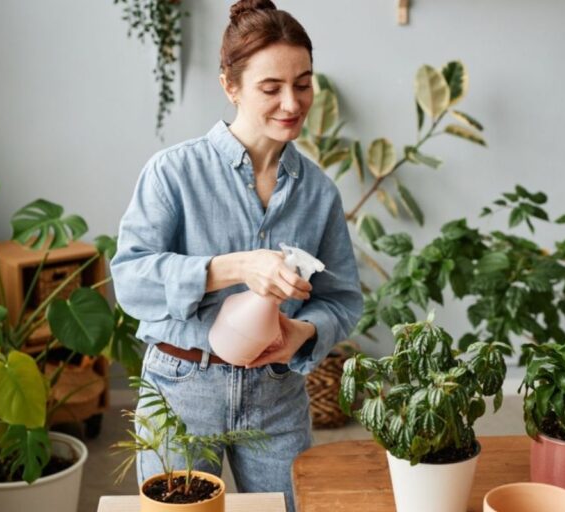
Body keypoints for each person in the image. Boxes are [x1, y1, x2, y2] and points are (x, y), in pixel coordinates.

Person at [110, 1, 362, 510]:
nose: (292, 103)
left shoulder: (319, 193)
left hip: (276, 397)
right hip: (180, 390)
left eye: (304, 83)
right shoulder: (173, 173)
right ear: (231, 86)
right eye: (271, 88)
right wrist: (233, 267)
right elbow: (131, 282)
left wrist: (304, 333)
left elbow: (342, 300)